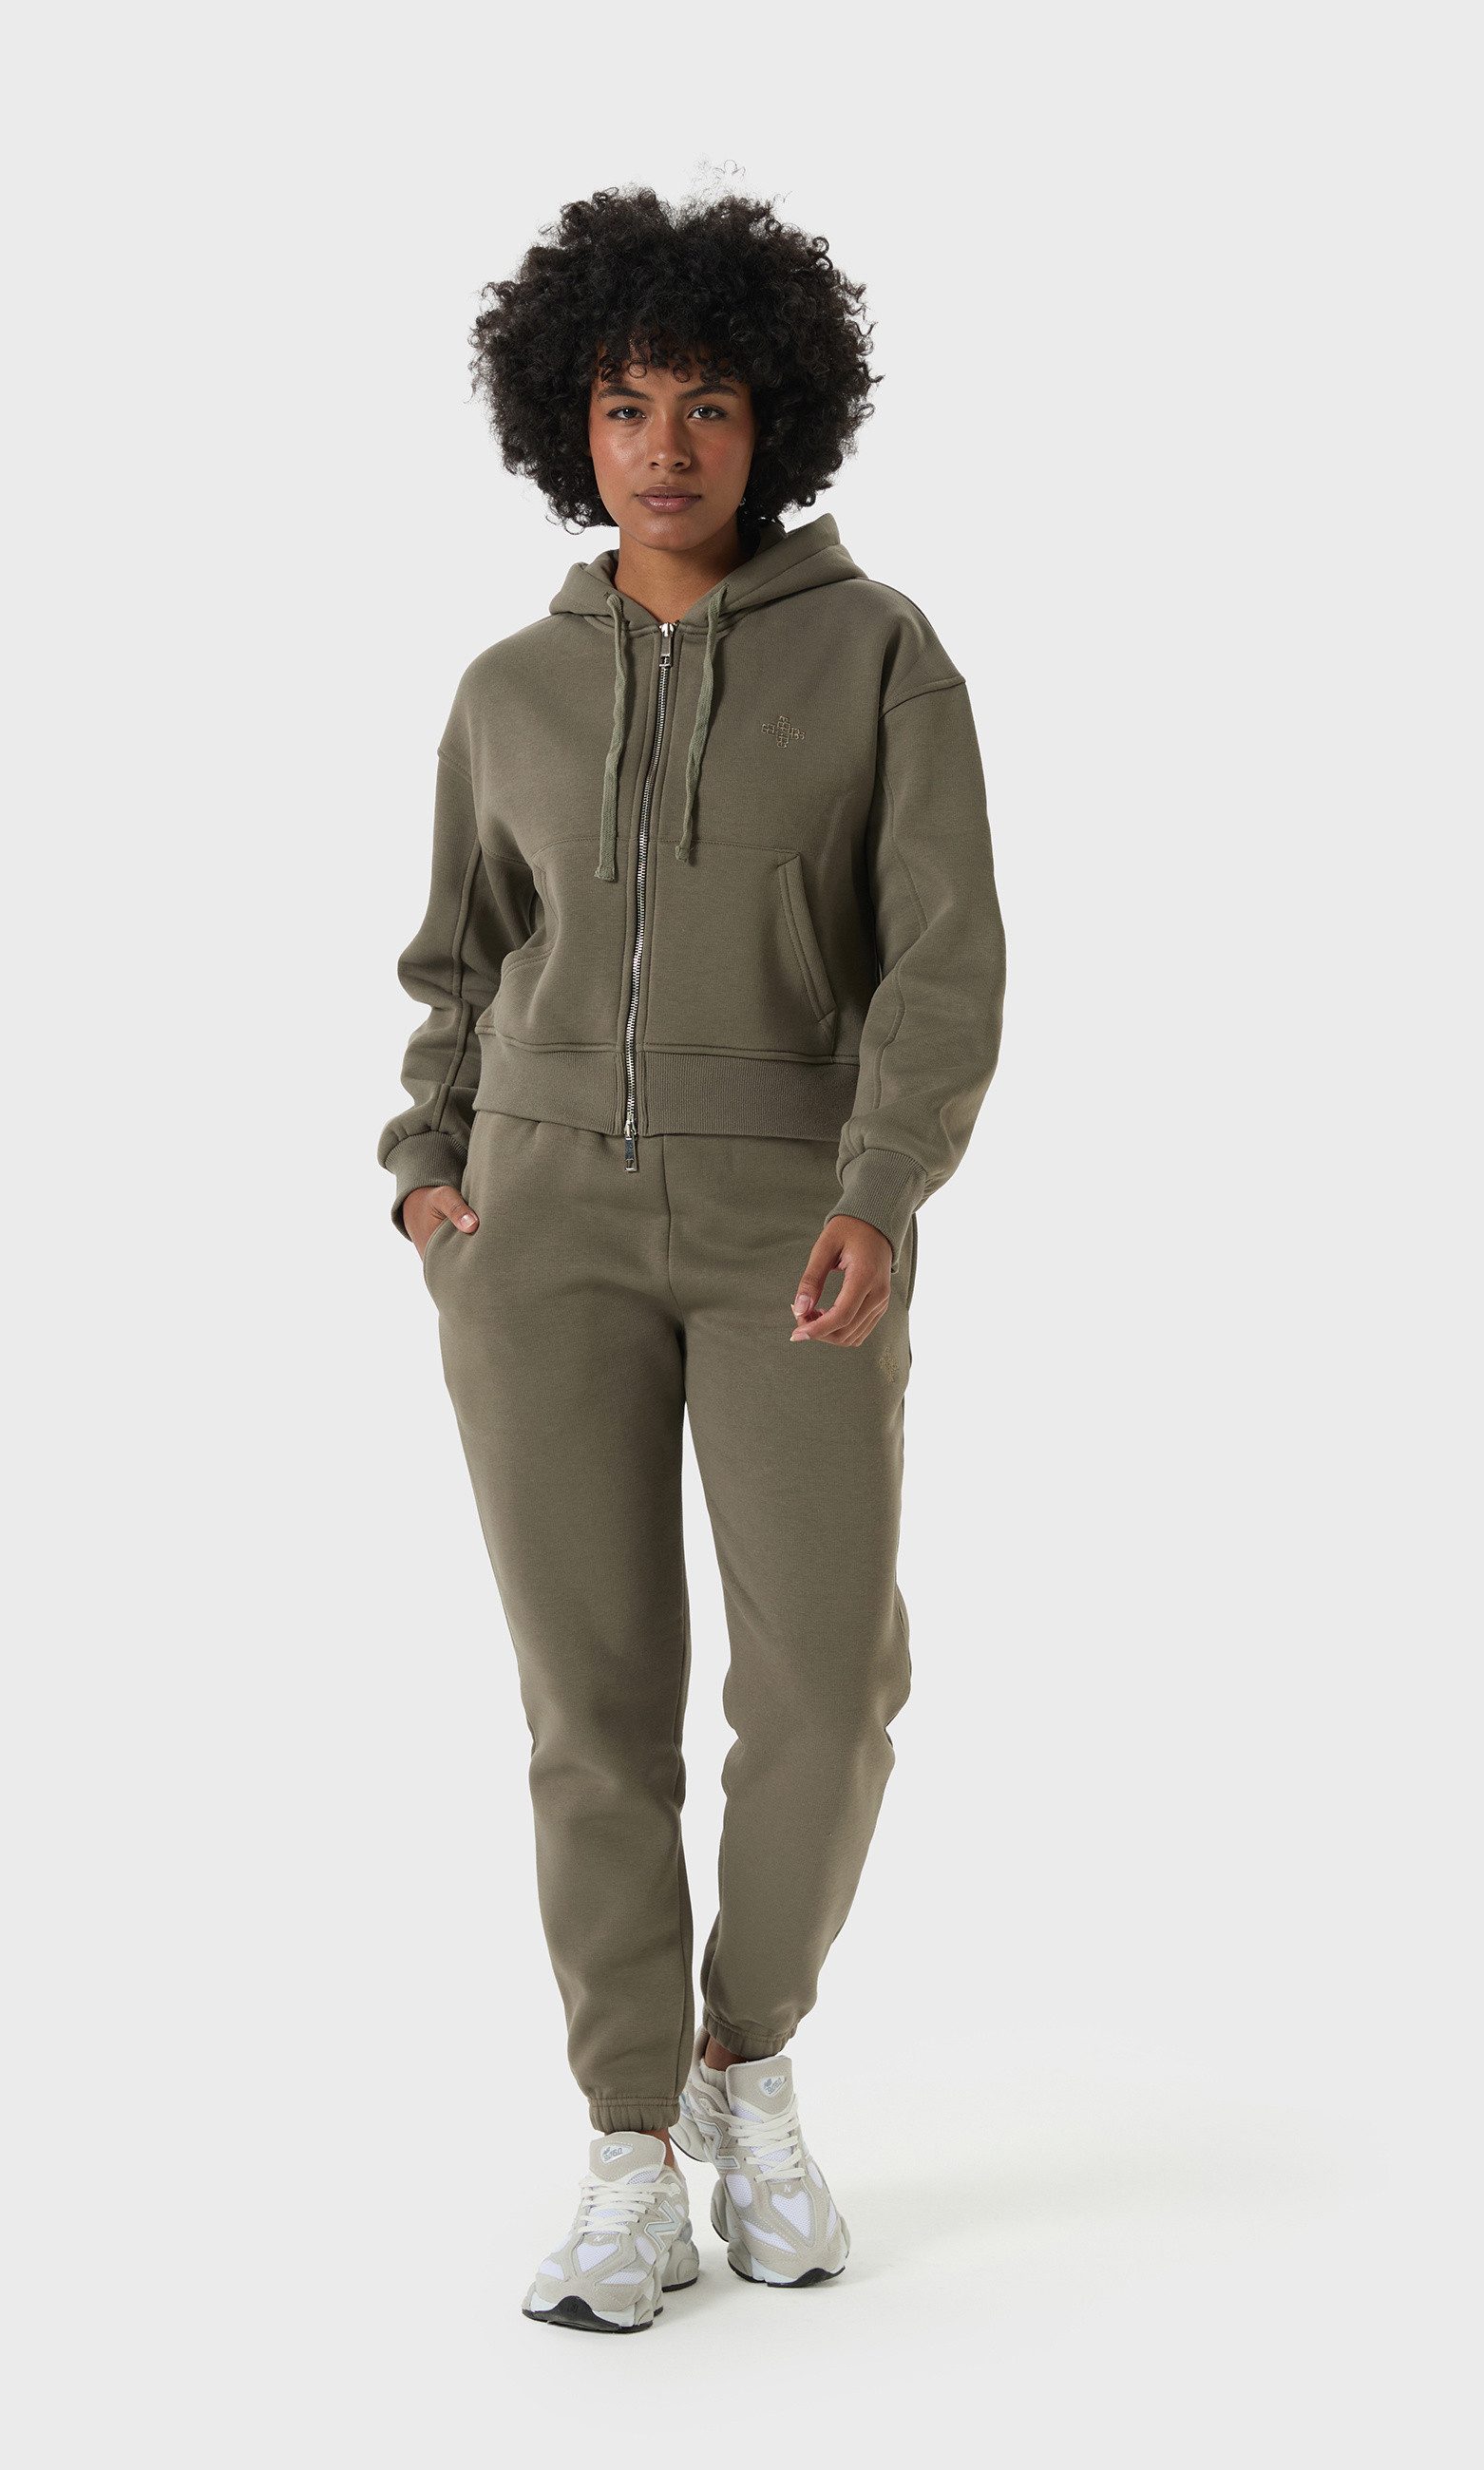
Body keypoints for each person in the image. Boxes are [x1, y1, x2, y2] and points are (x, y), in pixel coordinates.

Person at [378, 185, 1007, 2332]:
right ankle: (629, 2143)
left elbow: (942, 960)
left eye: (709, 404)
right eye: (627, 405)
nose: (665, 447)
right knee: (593, 1712)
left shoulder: (881, 652)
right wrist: (430, 1174)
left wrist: (880, 1184)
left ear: (776, 421)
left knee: (830, 1688)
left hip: (792, 1228)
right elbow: (460, 959)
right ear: (570, 425)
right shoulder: (508, 688)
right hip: (535, 1228)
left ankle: (748, 2053)